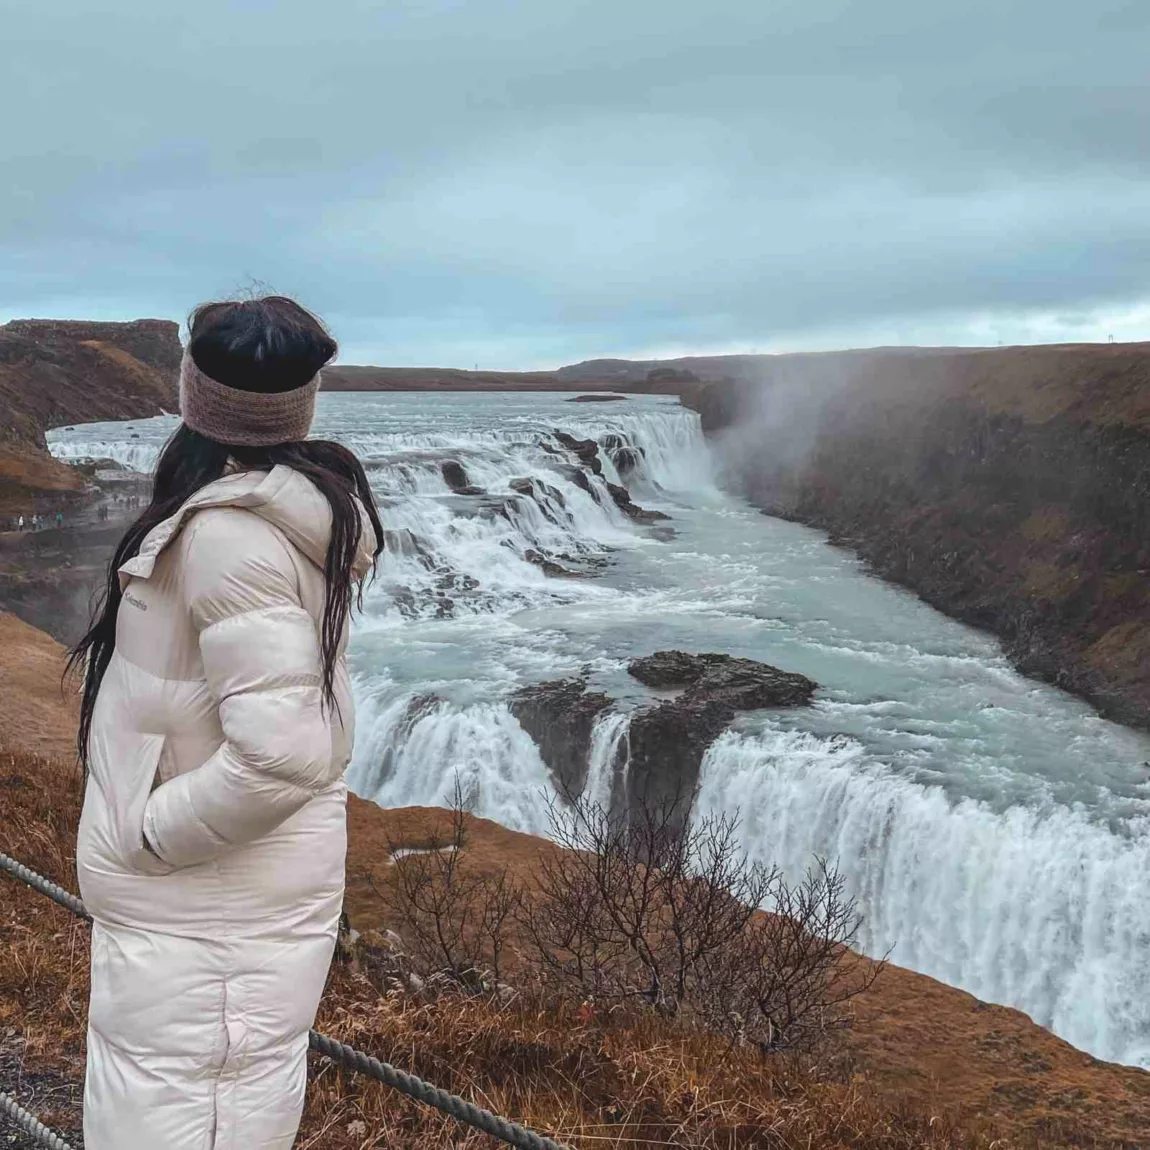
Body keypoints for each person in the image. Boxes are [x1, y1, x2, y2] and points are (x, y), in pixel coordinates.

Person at [69, 296, 383, 1149]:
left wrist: (149, 835)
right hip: (218, 924)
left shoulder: (229, 540)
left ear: (194, 402)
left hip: (208, 926)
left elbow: (282, 758)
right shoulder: (274, 516)